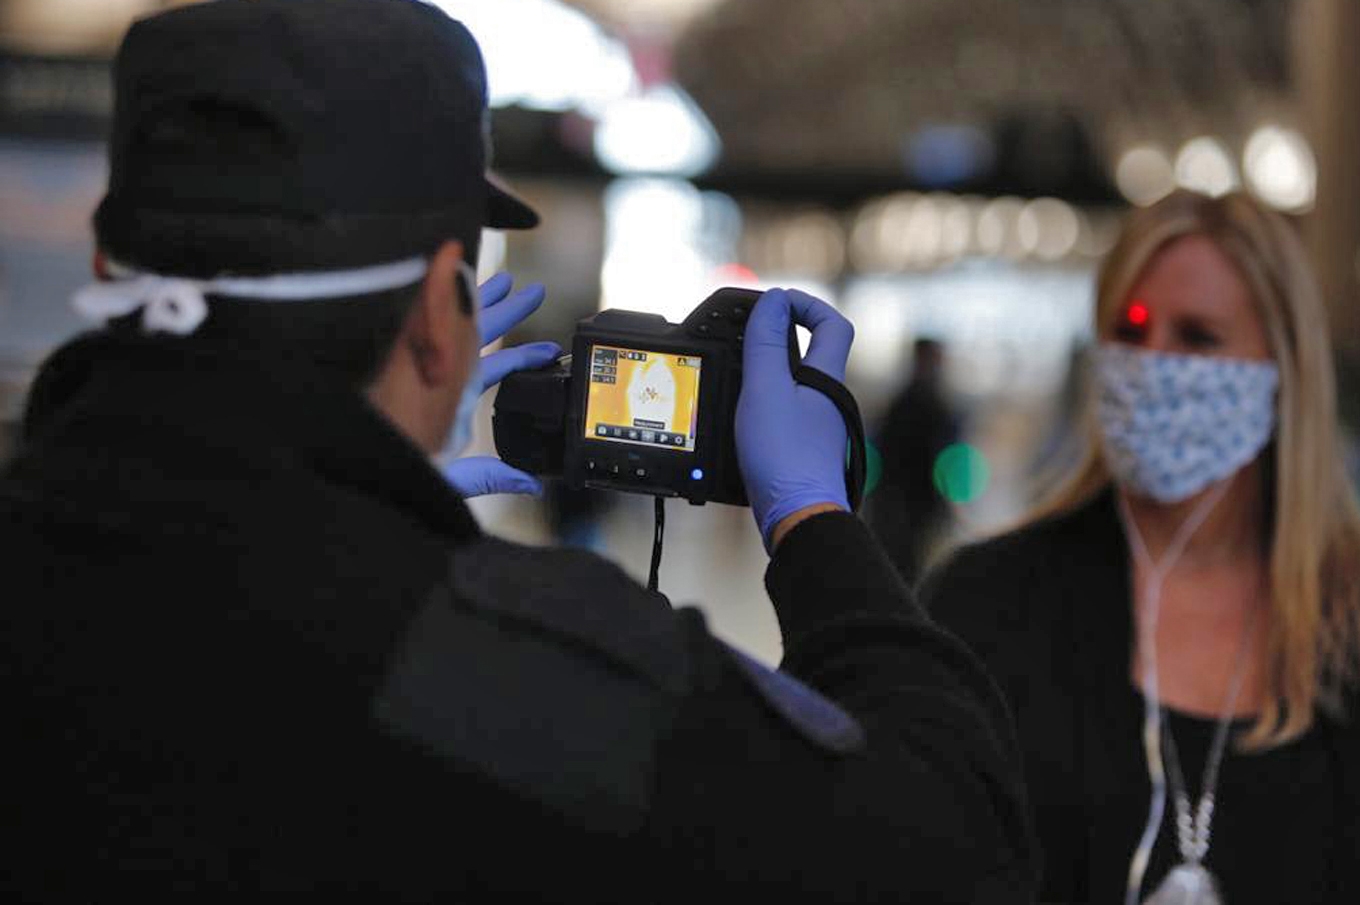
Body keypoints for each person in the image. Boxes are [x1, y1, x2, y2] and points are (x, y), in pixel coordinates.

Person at [0, 1, 1035, 899]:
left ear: (106, 263)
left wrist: (363, 494)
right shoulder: (509, 671)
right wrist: (814, 521)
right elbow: (954, 847)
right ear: (435, 321)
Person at [921, 190, 1360, 904]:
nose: (1153, 361)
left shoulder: (1346, 623)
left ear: (1285, 371)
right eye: (1129, 329)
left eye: (1198, 337)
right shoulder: (987, 600)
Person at [867, 337, 960, 585]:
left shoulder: (897, 403)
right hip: (911, 507)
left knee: (893, 570)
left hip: (894, 505)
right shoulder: (932, 406)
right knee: (907, 573)